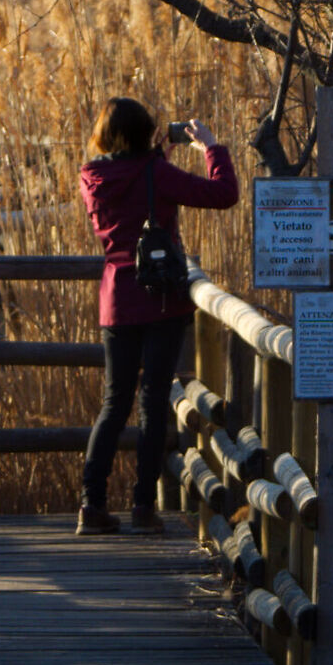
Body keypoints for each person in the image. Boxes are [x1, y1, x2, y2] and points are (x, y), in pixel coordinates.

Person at [77, 98, 239, 534]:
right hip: (161, 298)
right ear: (147, 131)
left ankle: (91, 505)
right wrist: (210, 146)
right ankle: (143, 508)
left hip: (117, 299)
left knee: (114, 404)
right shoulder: (156, 173)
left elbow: (133, 186)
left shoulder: (91, 177)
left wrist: (154, 156)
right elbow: (224, 194)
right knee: (153, 404)